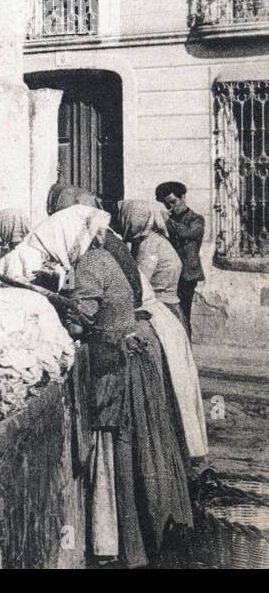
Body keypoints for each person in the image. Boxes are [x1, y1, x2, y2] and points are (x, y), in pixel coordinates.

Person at [55, 206, 193, 567]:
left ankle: (124, 542)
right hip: (138, 350)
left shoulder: (90, 264)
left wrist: (57, 306)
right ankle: (156, 529)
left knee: (122, 447)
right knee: (146, 444)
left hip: (119, 363)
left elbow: (80, 324)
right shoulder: (111, 256)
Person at [118, 200, 208, 461]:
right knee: (179, 380)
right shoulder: (156, 240)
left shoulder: (148, 246)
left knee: (171, 381)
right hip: (171, 310)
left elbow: (140, 282)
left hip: (162, 312)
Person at [156, 181, 204, 334]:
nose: (170, 208)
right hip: (169, 273)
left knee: (183, 316)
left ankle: (186, 353)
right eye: (166, 204)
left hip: (187, 275)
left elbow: (186, 233)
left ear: (183, 197)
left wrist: (167, 221)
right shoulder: (167, 221)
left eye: (173, 202)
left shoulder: (196, 219)